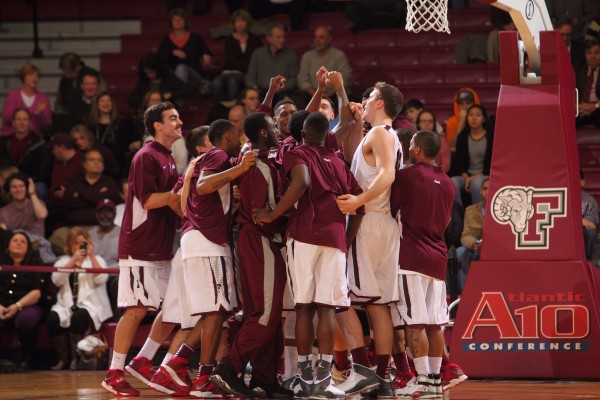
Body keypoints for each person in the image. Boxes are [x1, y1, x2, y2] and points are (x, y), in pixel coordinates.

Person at [254, 112, 364, 399]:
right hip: (335, 239)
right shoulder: (339, 160)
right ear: (326, 132)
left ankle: (304, 377)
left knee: (303, 307)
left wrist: (273, 213)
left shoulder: (296, 152)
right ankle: (325, 378)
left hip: (303, 236)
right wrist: (347, 241)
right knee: (327, 307)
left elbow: (301, 183)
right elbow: (360, 206)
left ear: (303, 132)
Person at [158, 120, 254, 398]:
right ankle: (185, 366)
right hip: (207, 242)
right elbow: (203, 186)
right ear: (226, 135)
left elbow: (191, 194)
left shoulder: (214, 159)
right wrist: (240, 168)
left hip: (199, 239)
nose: (240, 138)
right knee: (215, 310)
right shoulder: (218, 154)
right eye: (237, 134)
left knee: (216, 310)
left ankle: (193, 370)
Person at [101, 102, 182, 397]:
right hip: (140, 246)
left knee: (173, 307)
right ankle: (114, 372)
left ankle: (144, 359)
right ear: (157, 125)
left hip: (161, 246)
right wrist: (180, 194)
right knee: (137, 309)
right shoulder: (145, 156)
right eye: (173, 118)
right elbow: (148, 201)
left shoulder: (168, 157)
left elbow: (173, 202)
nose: (179, 122)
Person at [209, 112, 291, 398]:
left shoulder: (256, 157)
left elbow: (255, 120)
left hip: (256, 241)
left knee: (267, 313)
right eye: (273, 127)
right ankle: (228, 368)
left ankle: (264, 378)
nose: (279, 130)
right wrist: (291, 214)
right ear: (264, 133)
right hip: (260, 239)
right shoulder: (258, 165)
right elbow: (262, 215)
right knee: (265, 313)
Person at [335, 82, 404, 398]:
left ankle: (361, 371)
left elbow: (387, 175)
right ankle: (382, 377)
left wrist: (358, 200)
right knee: (379, 305)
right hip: (385, 224)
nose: (365, 98)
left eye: (370, 96)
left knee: (342, 298)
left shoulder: (380, 135)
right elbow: (357, 159)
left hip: (369, 221)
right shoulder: (385, 135)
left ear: (380, 103)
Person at [390, 130, 455, 398]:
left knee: (415, 323)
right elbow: (448, 222)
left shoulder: (407, 175)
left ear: (416, 150)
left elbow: (390, 207)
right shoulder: (449, 183)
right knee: (434, 323)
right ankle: (435, 379)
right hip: (438, 257)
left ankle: (422, 378)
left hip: (412, 257)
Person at [47, 227, 112, 370]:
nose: (79, 247)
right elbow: (56, 280)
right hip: (66, 304)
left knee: (78, 317)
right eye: (76, 243)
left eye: (83, 243)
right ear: (69, 245)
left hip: (91, 304)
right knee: (53, 318)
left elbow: (101, 279)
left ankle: (76, 358)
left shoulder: (97, 260)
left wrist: (92, 256)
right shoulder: (62, 261)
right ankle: (63, 358)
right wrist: (73, 261)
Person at [0, 231, 47, 371]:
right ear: (8, 245)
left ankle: (27, 358)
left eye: (23, 241)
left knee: (25, 318)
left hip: (27, 304)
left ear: (28, 247)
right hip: (2, 304)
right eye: (15, 240)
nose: (18, 243)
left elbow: (37, 292)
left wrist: (17, 305)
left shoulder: (36, 263)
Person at [158, 7, 213, 94]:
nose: (178, 22)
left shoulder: (195, 37)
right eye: (175, 20)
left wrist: (207, 57)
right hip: (173, 75)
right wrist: (173, 53)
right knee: (176, 71)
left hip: (194, 75)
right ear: (171, 22)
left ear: (185, 21)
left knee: (181, 68)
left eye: (181, 19)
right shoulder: (166, 40)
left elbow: (207, 53)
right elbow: (160, 58)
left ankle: (178, 97)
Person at [211, 9, 262, 102]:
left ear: (247, 23)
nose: (240, 24)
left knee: (232, 81)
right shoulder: (229, 39)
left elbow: (258, 59)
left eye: (243, 21)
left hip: (245, 74)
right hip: (228, 71)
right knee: (216, 83)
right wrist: (248, 66)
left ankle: (233, 109)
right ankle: (221, 108)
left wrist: (250, 68)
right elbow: (230, 60)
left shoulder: (255, 39)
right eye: (237, 21)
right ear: (233, 23)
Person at [450, 104, 493, 208]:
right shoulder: (463, 136)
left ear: (483, 119)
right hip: (466, 176)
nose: (474, 118)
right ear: (467, 118)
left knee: (476, 183)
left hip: (484, 175)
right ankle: (459, 217)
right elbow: (458, 161)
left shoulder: (491, 136)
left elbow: (491, 164)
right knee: (452, 182)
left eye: (478, 115)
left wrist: (472, 178)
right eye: (471, 115)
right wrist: (466, 176)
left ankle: (478, 215)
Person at [62, 149, 121, 227]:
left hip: (102, 227)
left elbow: (108, 203)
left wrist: (80, 194)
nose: (96, 162)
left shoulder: (110, 182)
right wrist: (98, 195)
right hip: (74, 226)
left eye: (100, 160)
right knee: (56, 236)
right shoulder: (74, 182)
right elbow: (69, 203)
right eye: (92, 160)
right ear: (84, 164)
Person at [297, 26, 352, 102]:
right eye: (315, 37)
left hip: (334, 94)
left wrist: (326, 96)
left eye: (321, 37)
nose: (317, 40)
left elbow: (344, 79)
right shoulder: (307, 56)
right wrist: (316, 95)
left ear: (329, 39)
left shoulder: (339, 55)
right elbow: (302, 80)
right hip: (311, 94)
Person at [0, 108, 51, 189]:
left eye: (25, 119)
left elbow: (44, 172)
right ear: (13, 123)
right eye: (18, 119)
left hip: (32, 182)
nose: (22, 123)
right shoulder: (3, 142)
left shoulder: (40, 144)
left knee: (40, 189)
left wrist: (26, 181)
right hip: (8, 181)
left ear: (30, 123)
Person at [246, 23, 299, 95]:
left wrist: (282, 88)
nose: (282, 40)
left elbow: (294, 79)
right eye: (278, 37)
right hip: (261, 92)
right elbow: (250, 76)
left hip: (282, 92)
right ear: (269, 38)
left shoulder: (290, 54)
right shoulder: (258, 53)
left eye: (283, 36)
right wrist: (254, 87)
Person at [455, 178, 489, 292]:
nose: (488, 191)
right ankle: (466, 292)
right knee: (460, 252)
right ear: (480, 191)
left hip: (498, 250)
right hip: (477, 248)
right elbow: (465, 236)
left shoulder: (507, 210)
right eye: (485, 188)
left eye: (491, 188)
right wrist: (475, 244)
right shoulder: (471, 210)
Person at [127, 54, 194, 111]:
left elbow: (189, 91)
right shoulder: (143, 80)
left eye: (152, 72)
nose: (149, 75)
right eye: (147, 73)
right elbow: (131, 100)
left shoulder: (168, 78)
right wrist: (146, 100)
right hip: (147, 113)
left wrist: (171, 94)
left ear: (158, 69)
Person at [1, 63, 52, 137]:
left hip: (33, 139)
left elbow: (48, 123)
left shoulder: (43, 98)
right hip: (12, 136)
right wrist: (20, 112)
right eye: (31, 75)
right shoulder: (13, 95)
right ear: (23, 77)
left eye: (37, 76)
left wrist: (39, 114)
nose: (34, 79)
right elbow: (6, 118)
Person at [87, 91, 133, 170]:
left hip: (115, 162)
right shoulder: (91, 124)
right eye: (102, 101)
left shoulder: (121, 122)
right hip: (94, 161)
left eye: (108, 100)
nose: (106, 103)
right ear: (97, 104)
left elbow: (123, 145)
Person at [576, 40, 600, 128]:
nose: (593, 56)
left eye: (596, 52)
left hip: (597, 108)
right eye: (589, 53)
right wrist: (579, 107)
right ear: (585, 55)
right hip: (581, 108)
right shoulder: (578, 69)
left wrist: (594, 106)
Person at [581, 170, 599, 261]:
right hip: (566, 229)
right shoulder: (563, 197)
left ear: (582, 182)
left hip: (581, 231)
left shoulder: (589, 200)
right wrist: (579, 221)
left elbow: (590, 224)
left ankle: (587, 260)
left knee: (591, 232)